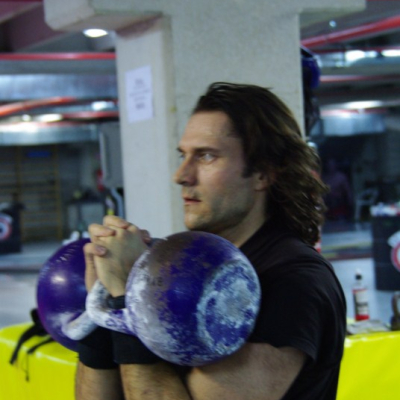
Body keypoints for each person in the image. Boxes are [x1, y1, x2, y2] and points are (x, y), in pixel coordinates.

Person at [75, 83, 346, 400]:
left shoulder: (294, 282)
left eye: (206, 156)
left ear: (263, 173)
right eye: (183, 155)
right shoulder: (188, 266)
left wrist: (126, 299)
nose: (181, 175)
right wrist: (103, 303)